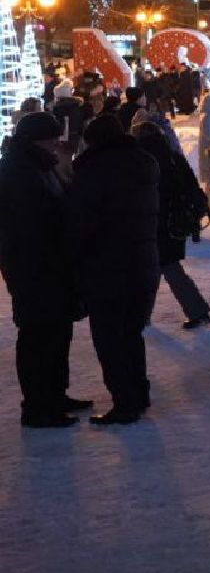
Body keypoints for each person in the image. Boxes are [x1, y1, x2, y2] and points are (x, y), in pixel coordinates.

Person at [0, 112, 91, 427]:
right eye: (52, 137)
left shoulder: (37, 164)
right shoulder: (19, 172)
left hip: (51, 267)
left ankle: (55, 394)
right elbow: (31, 226)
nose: (58, 143)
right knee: (39, 338)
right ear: (37, 139)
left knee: (57, 334)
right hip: (35, 271)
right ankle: (39, 406)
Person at [69, 114, 161, 425]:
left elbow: (82, 225)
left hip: (107, 268)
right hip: (144, 262)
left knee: (110, 340)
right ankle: (138, 393)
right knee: (131, 334)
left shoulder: (93, 172)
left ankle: (125, 403)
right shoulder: (143, 164)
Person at [133, 122, 210, 330]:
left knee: (163, 267)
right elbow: (191, 185)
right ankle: (142, 315)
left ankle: (196, 310)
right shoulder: (172, 157)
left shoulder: (141, 160)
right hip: (176, 221)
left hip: (153, 222)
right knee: (159, 267)